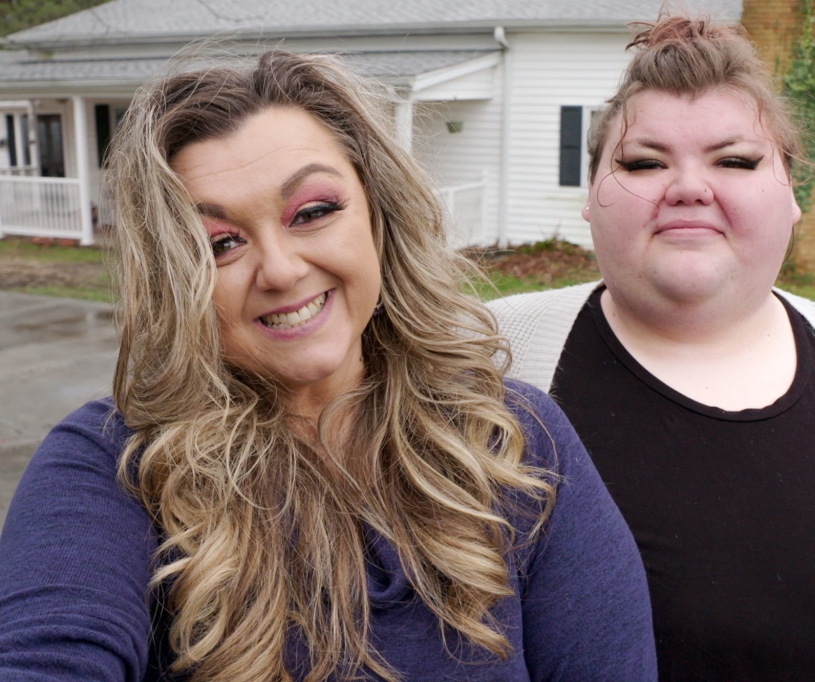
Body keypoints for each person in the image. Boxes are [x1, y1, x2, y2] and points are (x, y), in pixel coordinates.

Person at [0, 51, 657, 682]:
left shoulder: (512, 442)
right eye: (220, 245)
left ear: (378, 215)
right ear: (178, 279)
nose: (282, 269)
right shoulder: (114, 469)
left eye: (312, 213)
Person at [490, 14, 815, 682]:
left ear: (794, 196)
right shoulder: (480, 361)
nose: (687, 186)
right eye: (643, 162)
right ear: (591, 196)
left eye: (735, 160)